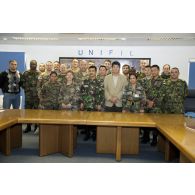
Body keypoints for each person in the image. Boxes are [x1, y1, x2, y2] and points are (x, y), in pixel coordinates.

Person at [80, 65, 104, 141]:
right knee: (86, 120)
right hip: (87, 104)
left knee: (95, 120)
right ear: (88, 71)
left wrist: (100, 104)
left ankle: (94, 134)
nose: (91, 72)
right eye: (90, 71)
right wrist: (82, 102)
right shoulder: (85, 81)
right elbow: (82, 93)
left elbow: (102, 93)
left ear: (95, 72)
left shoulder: (99, 81)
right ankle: (87, 134)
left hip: (96, 104)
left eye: (93, 71)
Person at [144, 64, 166, 146]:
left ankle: (154, 139)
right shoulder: (148, 81)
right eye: (152, 70)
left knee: (155, 123)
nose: (153, 72)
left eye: (155, 70)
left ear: (158, 71)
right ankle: (146, 137)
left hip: (157, 106)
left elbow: (162, 94)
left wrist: (153, 102)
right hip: (147, 105)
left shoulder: (163, 81)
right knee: (146, 122)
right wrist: (147, 101)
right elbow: (144, 92)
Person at [21, 60, 40, 133]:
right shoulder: (26, 73)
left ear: (36, 65)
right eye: (32, 64)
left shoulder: (39, 73)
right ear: (30, 65)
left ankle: (35, 126)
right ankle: (28, 126)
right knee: (28, 111)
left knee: (36, 112)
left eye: (35, 64)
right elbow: (22, 83)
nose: (33, 65)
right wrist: (27, 89)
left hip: (36, 96)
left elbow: (41, 84)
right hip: (28, 96)